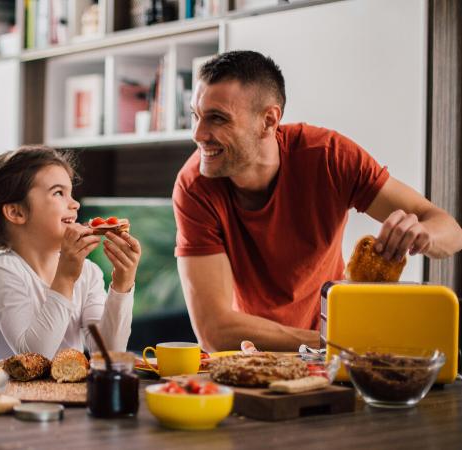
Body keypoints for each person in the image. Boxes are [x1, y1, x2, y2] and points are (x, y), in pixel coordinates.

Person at [174, 50, 462, 352]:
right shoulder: (194, 187)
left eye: (217, 118)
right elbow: (214, 331)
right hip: (256, 355)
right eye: (196, 115)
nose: (198, 134)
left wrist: (424, 233)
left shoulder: (328, 157)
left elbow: (451, 232)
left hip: (332, 357)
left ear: (269, 121)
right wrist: (341, 342)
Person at [0, 146, 142, 360]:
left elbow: (108, 353)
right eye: (58, 193)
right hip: (12, 384)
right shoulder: (4, 271)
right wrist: (65, 278)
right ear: (16, 212)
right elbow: (34, 356)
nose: (75, 204)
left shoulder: (88, 272)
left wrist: (122, 285)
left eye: (71, 193)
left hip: (73, 384)